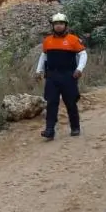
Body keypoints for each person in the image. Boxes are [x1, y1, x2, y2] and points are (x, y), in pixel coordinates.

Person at [36, 12, 87, 140]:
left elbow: (83, 54)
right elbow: (44, 56)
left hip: (68, 76)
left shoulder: (73, 39)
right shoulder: (47, 41)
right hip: (52, 76)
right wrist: (38, 70)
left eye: (61, 23)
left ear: (66, 25)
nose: (58, 26)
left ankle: (75, 127)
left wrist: (79, 69)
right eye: (56, 24)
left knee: (70, 102)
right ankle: (49, 130)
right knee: (51, 102)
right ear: (52, 26)